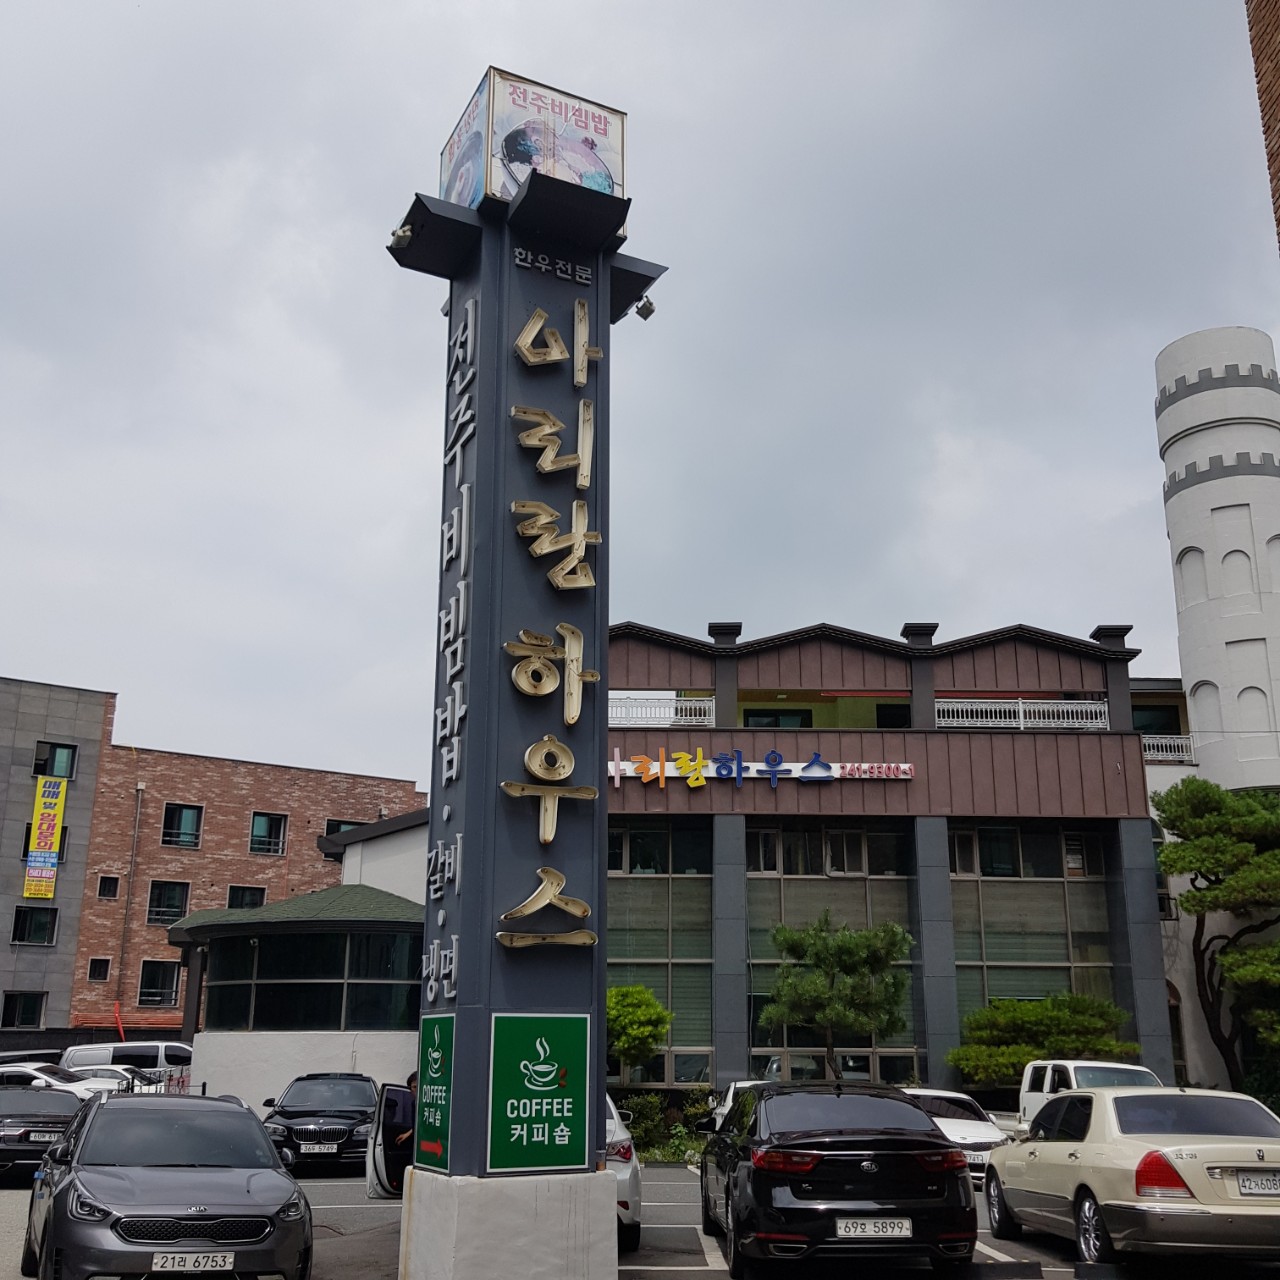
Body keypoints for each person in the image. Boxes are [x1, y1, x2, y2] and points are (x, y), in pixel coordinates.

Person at [395, 1071, 418, 1146]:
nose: (418, 1090)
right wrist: (408, 1134)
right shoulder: (414, 1103)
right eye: (414, 1087)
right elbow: (417, 1124)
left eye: (420, 1086)